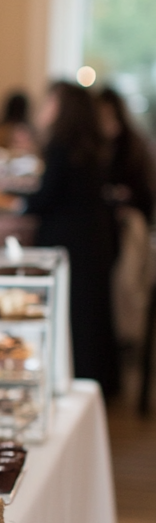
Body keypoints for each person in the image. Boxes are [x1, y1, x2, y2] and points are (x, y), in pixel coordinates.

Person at [25, 81, 119, 397]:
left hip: (69, 242)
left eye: (49, 102)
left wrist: (18, 202)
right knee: (89, 315)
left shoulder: (62, 145)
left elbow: (45, 198)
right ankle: (95, 381)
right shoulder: (89, 144)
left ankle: (76, 382)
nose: (44, 108)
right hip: (91, 239)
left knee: (74, 314)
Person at [98, 87, 156, 347]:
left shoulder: (130, 147)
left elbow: (144, 196)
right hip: (111, 228)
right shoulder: (97, 145)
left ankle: (126, 337)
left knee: (126, 288)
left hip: (128, 229)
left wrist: (121, 200)